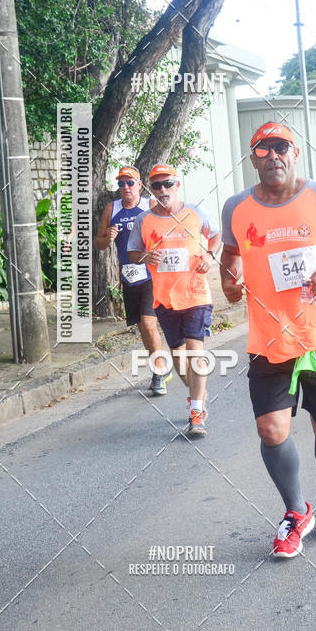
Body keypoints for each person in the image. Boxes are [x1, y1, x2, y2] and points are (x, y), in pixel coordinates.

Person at [220, 122, 316, 558]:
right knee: (271, 429)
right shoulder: (237, 207)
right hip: (268, 341)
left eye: (280, 147)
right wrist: (230, 281)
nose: (273, 156)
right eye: (263, 149)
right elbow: (231, 257)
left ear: (295, 152)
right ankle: (295, 511)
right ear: (253, 158)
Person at [127, 164, 221, 436]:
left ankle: (196, 411)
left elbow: (216, 235)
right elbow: (133, 251)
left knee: (195, 350)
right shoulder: (143, 220)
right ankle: (198, 398)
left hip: (196, 294)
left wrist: (209, 256)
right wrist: (145, 257)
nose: (163, 190)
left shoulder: (194, 212)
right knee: (178, 359)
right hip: (164, 299)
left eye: (168, 184)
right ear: (151, 190)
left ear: (177, 185)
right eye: (157, 186)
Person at [95, 166, 163, 392]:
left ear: (140, 185)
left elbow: (164, 233)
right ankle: (158, 367)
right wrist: (108, 237)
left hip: (150, 273)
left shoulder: (149, 205)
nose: (125, 187)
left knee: (148, 322)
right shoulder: (111, 208)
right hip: (128, 276)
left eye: (130, 183)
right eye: (121, 184)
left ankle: (159, 373)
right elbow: (99, 243)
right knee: (141, 327)